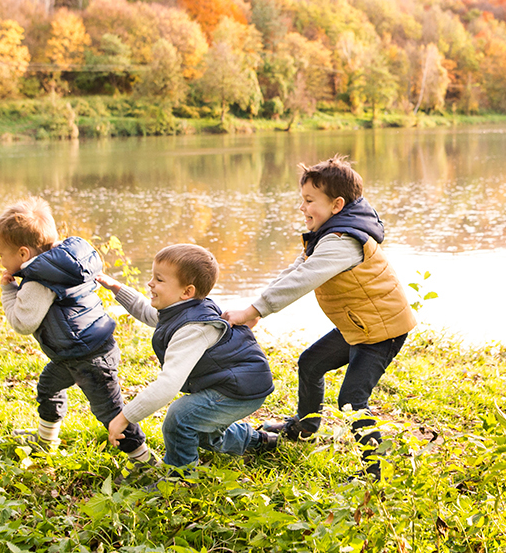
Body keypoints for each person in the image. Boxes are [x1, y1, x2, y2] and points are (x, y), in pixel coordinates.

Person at [223, 155, 416, 477]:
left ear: (337, 204)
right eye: (303, 200)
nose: (302, 208)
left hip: (381, 331)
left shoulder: (343, 241)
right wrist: (255, 310)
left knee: (353, 400)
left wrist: (254, 310)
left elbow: (303, 279)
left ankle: (377, 473)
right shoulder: (331, 234)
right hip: (359, 323)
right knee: (311, 363)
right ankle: (305, 427)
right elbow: (296, 269)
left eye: (310, 201)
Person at [0, 197, 154, 464]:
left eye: (1, 255)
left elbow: (22, 322)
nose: (0, 262)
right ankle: (46, 440)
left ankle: (145, 462)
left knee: (111, 413)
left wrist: (9, 291)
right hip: (81, 351)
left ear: (22, 254)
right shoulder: (66, 265)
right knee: (48, 387)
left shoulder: (39, 281)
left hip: (88, 358)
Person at [97, 243, 277, 468]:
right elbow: (146, 311)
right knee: (201, 428)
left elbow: (167, 385)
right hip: (237, 382)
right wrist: (115, 287)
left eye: (159, 280)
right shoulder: (182, 309)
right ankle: (260, 440)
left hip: (240, 388)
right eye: (153, 276)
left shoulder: (193, 328)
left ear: (186, 291)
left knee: (180, 418)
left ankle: (179, 477)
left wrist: (125, 417)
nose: (150, 283)